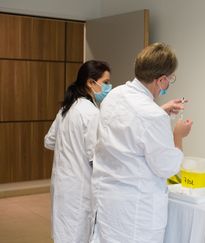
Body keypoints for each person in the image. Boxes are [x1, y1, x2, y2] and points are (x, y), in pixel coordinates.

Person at [91, 43, 193, 243]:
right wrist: (178, 136)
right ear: (162, 80)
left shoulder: (115, 95)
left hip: (108, 200)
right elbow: (166, 168)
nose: (168, 83)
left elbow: (131, 126)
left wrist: (160, 111)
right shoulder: (151, 115)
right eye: (170, 79)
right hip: (136, 210)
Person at [44, 60, 111, 243]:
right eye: (105, 82)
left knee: (63, 233)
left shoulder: (66, 109)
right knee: (77, 234)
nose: (108, 87)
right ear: (90, 82)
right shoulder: (91, 113)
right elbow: (94, 157)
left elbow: (49, 141)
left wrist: (68, 146)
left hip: (62, 185)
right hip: (79, 188)